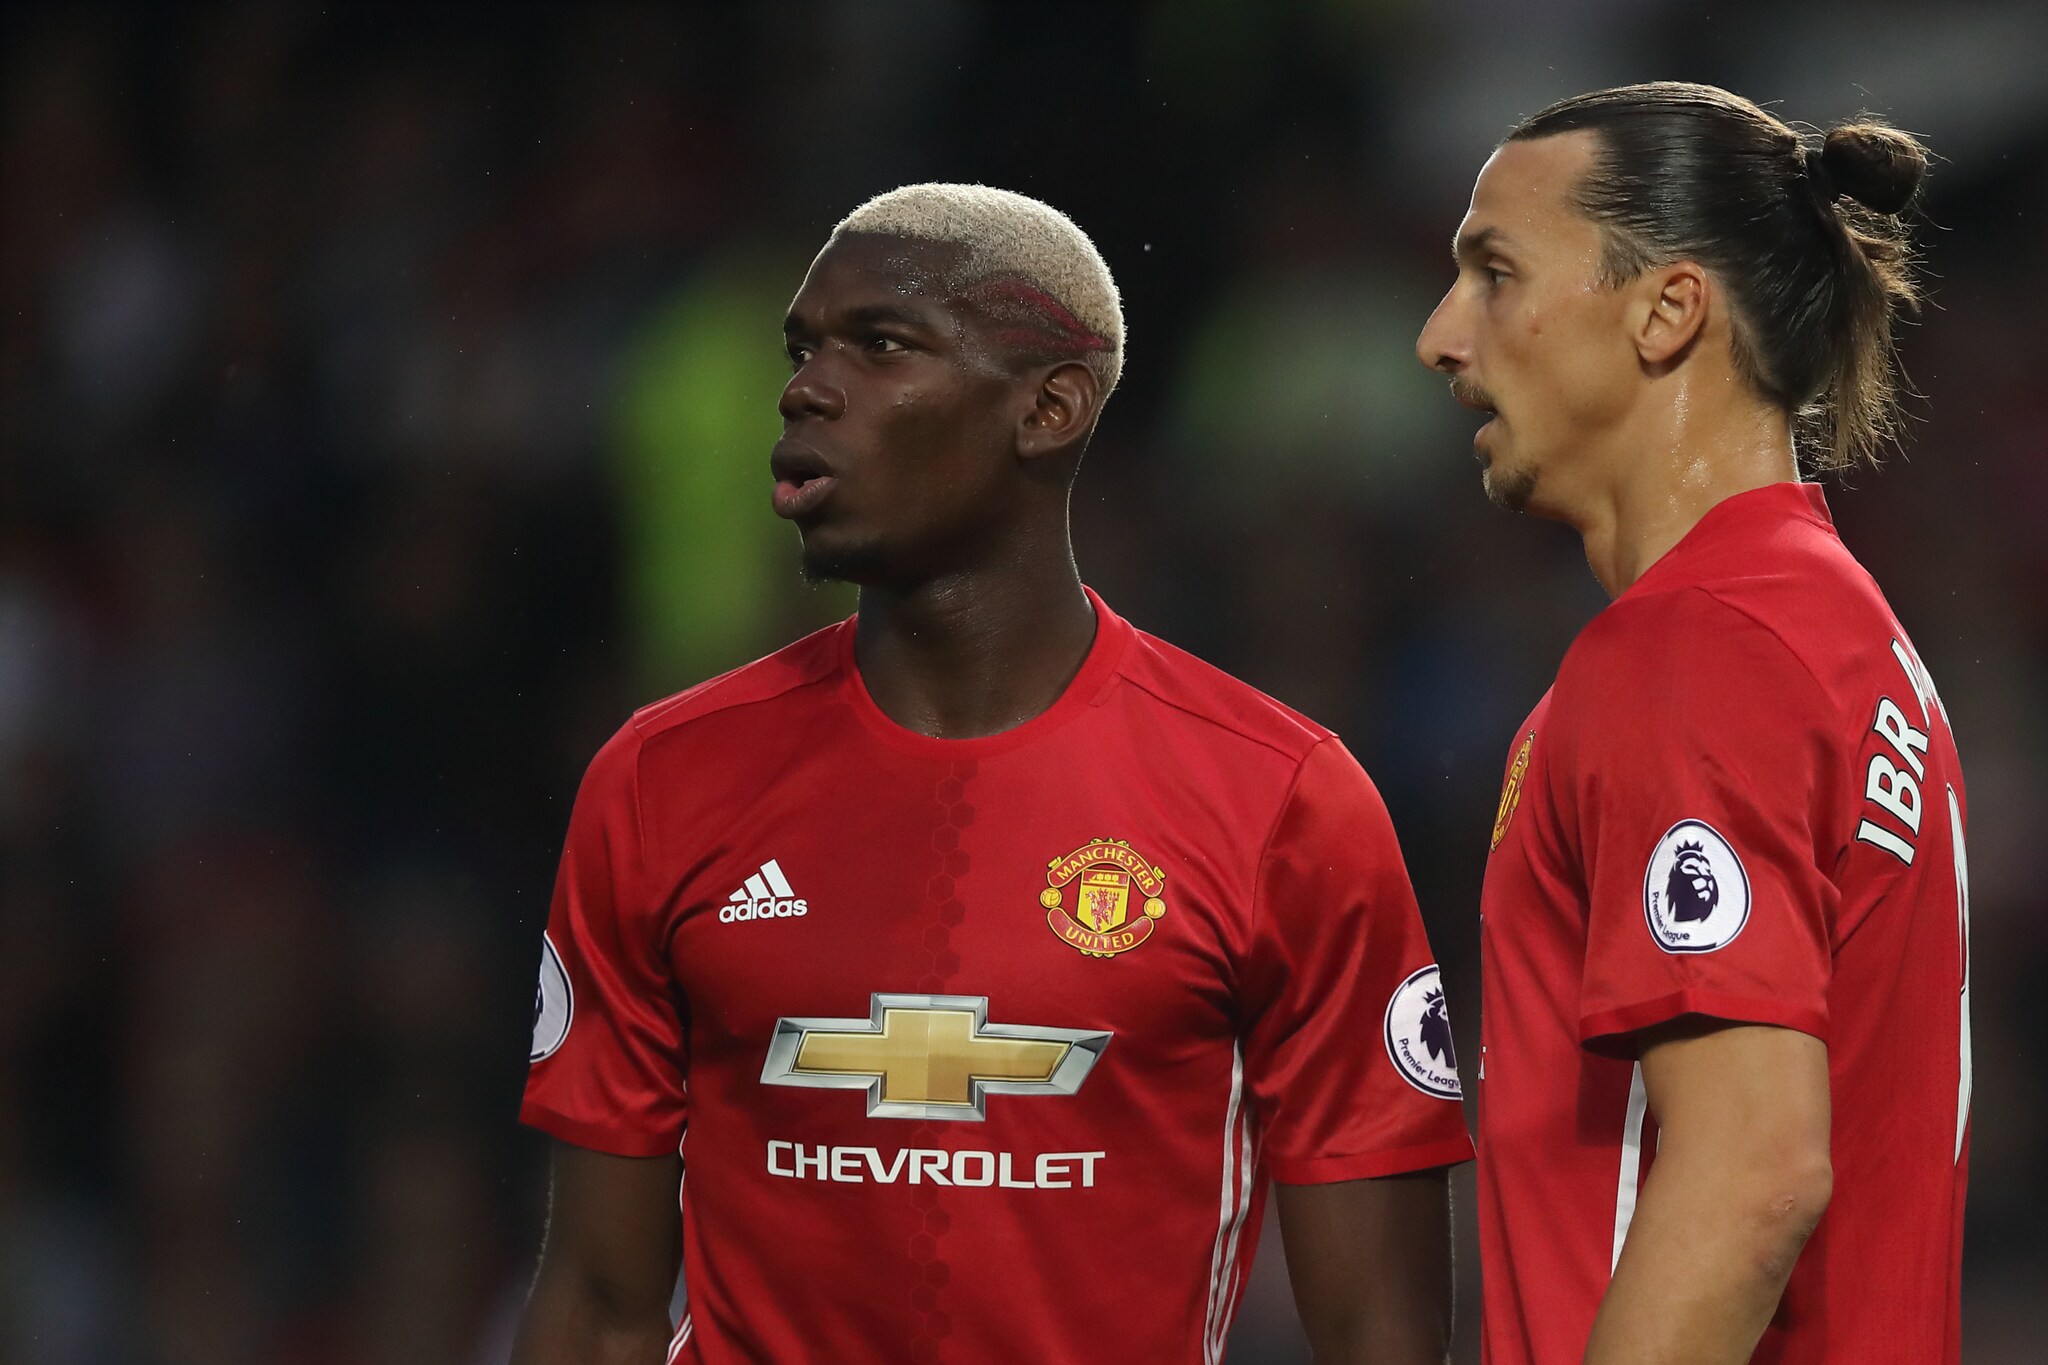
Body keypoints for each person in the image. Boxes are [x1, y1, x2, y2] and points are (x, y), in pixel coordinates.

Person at [513, 183, 1474, 1365]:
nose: (804, 388)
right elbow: (599, 1307)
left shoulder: (1277, 799)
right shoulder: (663, 782)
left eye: (880, 345)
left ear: (1050, 407)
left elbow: (1379, 1334)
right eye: (803, 348)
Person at [1416, 83, 1967, 1364]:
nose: (1441, 336)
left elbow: (1752, 1176)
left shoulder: (1692, 648)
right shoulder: (1837, 631)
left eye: (1493, 273)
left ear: (1666, 311)